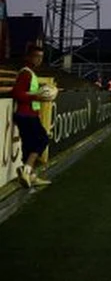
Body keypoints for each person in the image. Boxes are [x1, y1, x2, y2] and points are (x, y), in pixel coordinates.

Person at [10, 43, 54, 188]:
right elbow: (17, 93)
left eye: (41, 57)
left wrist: (38, 94)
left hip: (28, 114)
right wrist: (37, 96)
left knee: (29, 146)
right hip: (26, 114)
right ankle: (26, 170)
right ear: (28, 57)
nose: (38, 60)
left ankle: (31, 176)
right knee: (42, 140)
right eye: (36, 56)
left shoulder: (30, 73)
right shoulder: (25, 73)